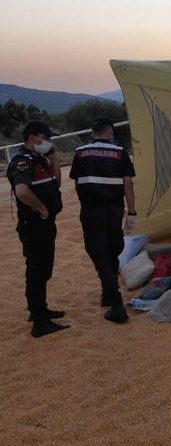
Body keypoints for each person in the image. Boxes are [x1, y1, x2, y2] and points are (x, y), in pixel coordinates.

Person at [70, 117, 136, 323]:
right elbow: (128, 185)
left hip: (91, 211)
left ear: (92, 132)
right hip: (114, 211)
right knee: (113, 249)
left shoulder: (80, 153)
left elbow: (77, 182)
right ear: (110, 132)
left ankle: (113, 300)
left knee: (99, 253)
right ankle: (111, 298)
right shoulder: (119, 153)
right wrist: (132, 212)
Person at [7, 121, 68, 338]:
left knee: (43, 268)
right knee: (37, 269)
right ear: (34, 138)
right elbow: (22, 191)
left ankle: (40, 309)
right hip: (34, 225)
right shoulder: (22, 161)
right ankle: (39, 321)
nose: (49, 142)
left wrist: (53, 158)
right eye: (46, 138)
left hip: (44, 224)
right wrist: (41, 207)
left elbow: (56, 184)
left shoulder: (39, 159)